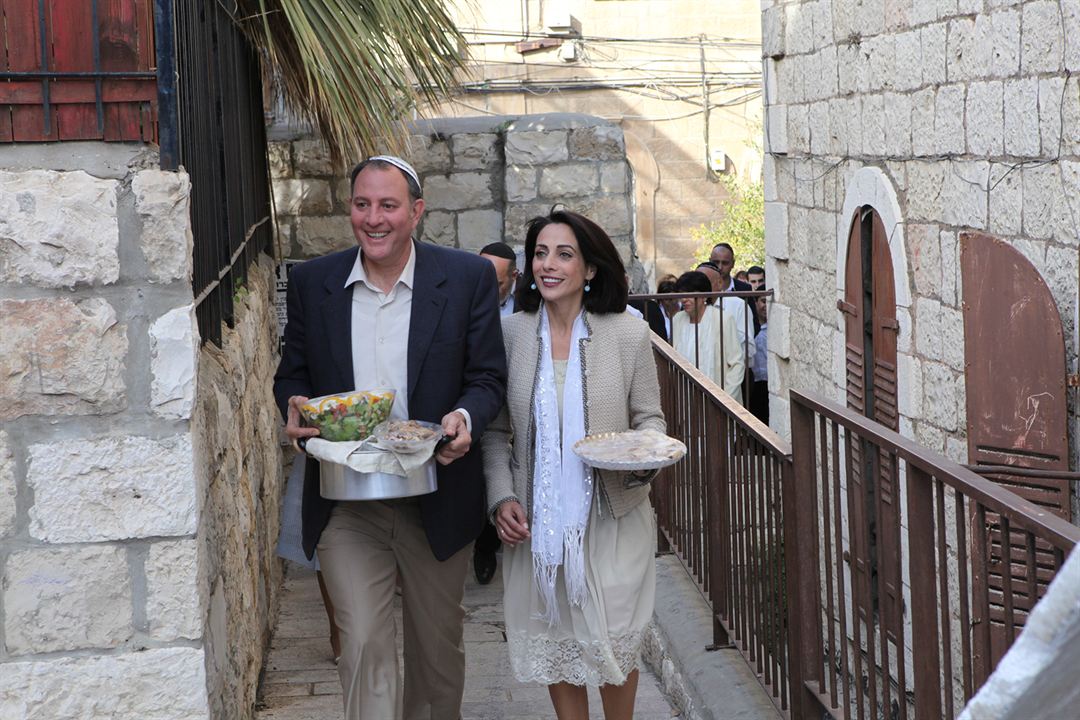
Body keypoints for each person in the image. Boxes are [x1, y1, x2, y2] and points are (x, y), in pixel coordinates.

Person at [273, 155, 507, 720]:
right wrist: (295, 405)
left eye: (388, 205)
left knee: (436, 657)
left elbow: (487, 376)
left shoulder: (465, 278)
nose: (373, 219)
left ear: (416, 212)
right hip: (347, 501)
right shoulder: (313, 281)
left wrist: (463, 419)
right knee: (363, 645)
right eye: (361, 205)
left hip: (437, 491)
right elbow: (293, 372)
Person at [483, 208, 665, 720]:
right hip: (536, 524)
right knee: (555, 638)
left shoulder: (627, 334)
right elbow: (496, 432)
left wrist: (644, 458)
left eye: (565, 254)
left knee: (612, 644)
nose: (549, 264)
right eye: (540, 253)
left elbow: (649, 418)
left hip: (613, 519)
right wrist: (502, 497)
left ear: (590, 270)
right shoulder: (512, 334)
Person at [472, 242, 520, 585]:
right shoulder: (467, 304)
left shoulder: (527, 311)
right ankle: (482, 543)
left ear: (514, 278)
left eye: (498, 283)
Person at [671, 270, 745, 403]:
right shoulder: (678, 319)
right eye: (682, 294)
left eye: (690, 294)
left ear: (704, 296)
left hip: (719, 398)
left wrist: (726, 399)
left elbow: (737, 363)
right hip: (685, 396)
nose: (684, 299)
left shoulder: (723, 319)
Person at [480, 241, 520, 316]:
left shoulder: (529, 296)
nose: (487, 290)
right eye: (482, 282)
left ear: (514, 276)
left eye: (496, 284)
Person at [750, 293, 769, 423]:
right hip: (757, 386)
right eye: (763, 301)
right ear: (756, 303)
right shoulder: (754, 329)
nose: (766, 306)